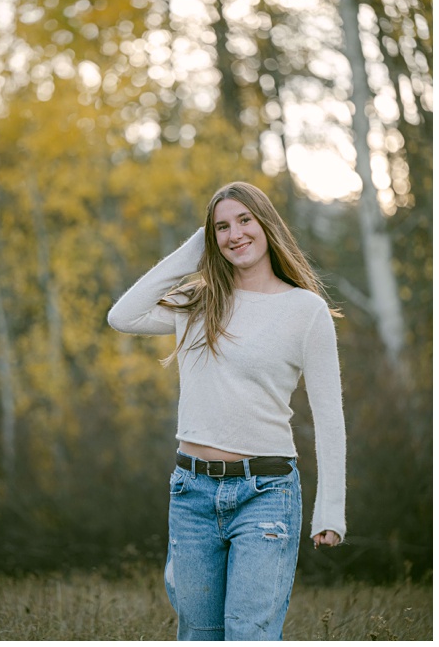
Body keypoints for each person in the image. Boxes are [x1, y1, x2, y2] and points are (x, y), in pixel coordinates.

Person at [106, 181, 346, 641]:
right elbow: (123, 316)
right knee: (199, 634)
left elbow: (329, 416)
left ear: (267, 224)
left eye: (244, 221)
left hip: (266, 492)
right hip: (191, 492)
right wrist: (193, 249)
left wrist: (330, 511)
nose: (235, 234)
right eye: (221, 227)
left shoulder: (305, 310)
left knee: (248, 634)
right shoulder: (197, 302)